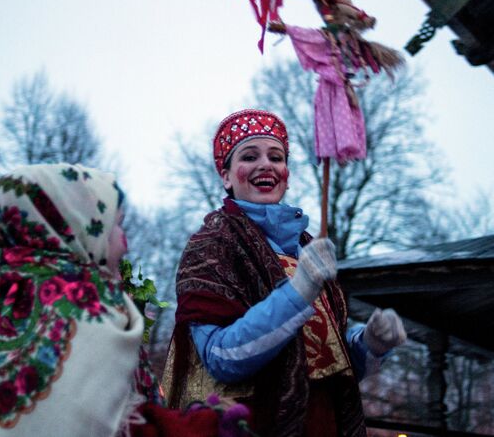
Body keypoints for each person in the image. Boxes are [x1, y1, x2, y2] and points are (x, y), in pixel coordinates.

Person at [161, 109, 406, 437]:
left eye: (276, 157)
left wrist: (371, 345)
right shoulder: (212, 245)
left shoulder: (306, 247)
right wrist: (300, 290)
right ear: (227, 177)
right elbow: (221, 356)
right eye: (250, 156)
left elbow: (330, 367)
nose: (266, 164)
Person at [0, 163, 167, 437]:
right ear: (79, 232)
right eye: (113, 226)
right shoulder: (76, 321)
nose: (125, 244)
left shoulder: (15, 318)